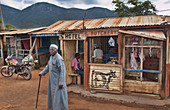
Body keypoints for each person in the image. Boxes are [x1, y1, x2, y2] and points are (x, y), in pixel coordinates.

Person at [39, 44, 68, 110]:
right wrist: (42, 73)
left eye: (52, 50)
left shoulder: (59, 59)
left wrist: (61, 83)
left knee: (59, 97)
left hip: (58, 82)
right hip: (52, 82)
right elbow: (48, 67)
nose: (50, 51)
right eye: (50, 49)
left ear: (56, 50)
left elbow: (62, 71)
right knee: (53, 97)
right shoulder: (51, 58)